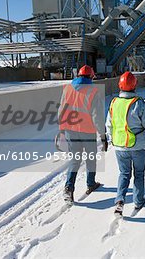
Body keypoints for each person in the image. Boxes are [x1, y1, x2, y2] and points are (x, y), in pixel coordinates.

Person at [106, 72, 145, 215]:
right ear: (134, 85)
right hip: (139, 146)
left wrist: (111, 140)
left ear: (120, 85)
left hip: (120, 146)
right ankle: (138, 201)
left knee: (124, 173)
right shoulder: (138, 103)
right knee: (139, 174)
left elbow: (109, 125)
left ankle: (120, 200)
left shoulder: (114, 103)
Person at [58, 65, 107, 203]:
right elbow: (97, 116)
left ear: (78, 75)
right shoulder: (93, 91)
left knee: (75, 159)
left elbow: (61, 110)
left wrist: (62, 129)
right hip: (87, 131)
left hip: (70, 131)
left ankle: (68, 188)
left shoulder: (67, 89)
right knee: (91, 158)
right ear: (91, 76)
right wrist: (103, 135)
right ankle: (91, 183)